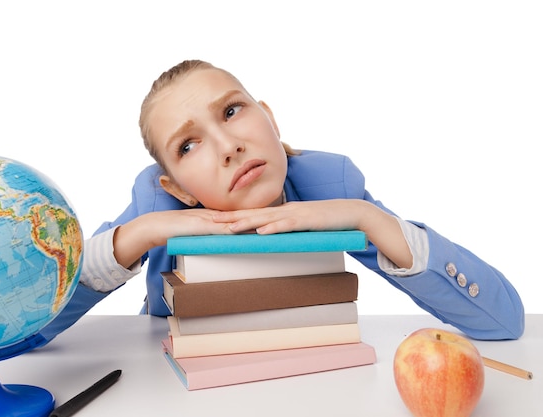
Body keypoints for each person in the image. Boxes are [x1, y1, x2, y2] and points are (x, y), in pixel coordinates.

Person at [40, 59, 524, 344]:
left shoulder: (328, 183)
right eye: (189, 146)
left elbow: (502, 320)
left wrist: (365, 217)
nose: (229, 146)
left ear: (270, 119)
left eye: (232, 111)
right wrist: (138, 236)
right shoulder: (157, 205)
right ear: (178, 188)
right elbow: (27, 330)